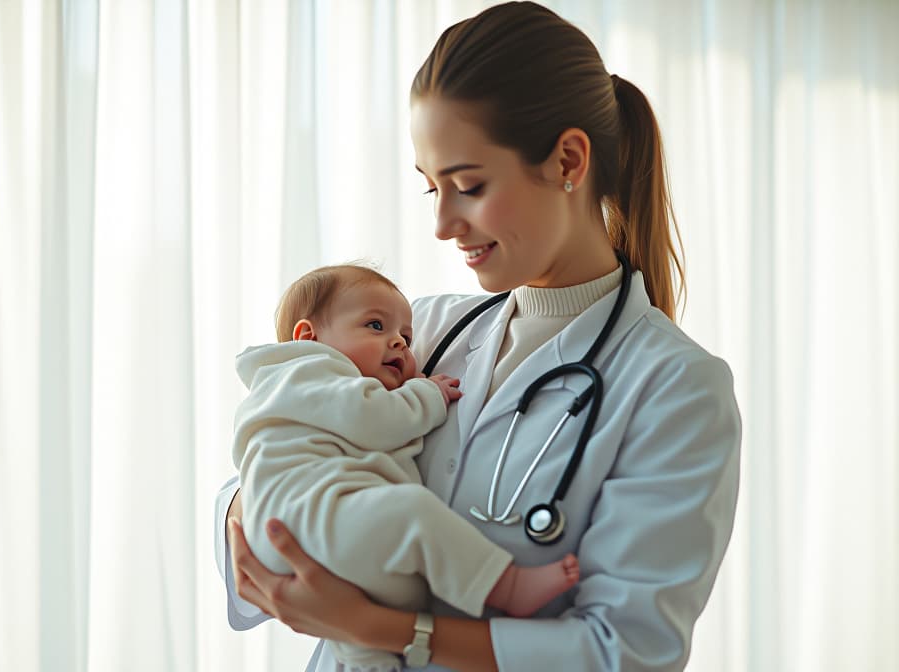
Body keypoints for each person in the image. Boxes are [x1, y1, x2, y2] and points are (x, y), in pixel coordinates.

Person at [215, 2, 742, 670]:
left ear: (568, 161)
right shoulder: (417, 332)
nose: (442, 223)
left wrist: (388, 627)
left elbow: (624, 653)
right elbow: (266, 460)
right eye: (431, 187)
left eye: (467, 185)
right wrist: (268, 506)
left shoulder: (675, 387)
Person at [233, 263, 581, 671]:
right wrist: (425, 395)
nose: (399, 341)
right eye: (376, 326)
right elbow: (371, 417)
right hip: (307, 521)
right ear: (309, 337)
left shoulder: (302, 391)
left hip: (315, 534)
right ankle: (507, 585)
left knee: (364, 638)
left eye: (407, 336)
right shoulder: (306, 370)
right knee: (412, 513)